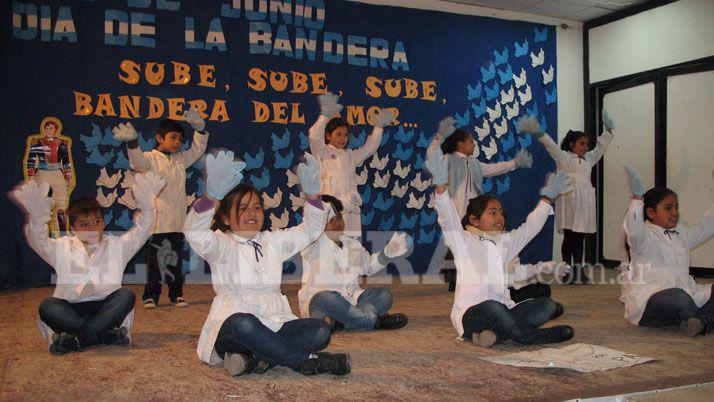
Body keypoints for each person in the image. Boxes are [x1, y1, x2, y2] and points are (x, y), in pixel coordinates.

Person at [184, 151, 350, 376]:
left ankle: (254, 359)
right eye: (242, 209)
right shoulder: (220, 244)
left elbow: (310, 230)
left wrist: (312, 196)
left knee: (320, 330)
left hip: (276, 322)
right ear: (225, 218)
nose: (251, 213)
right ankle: (308, 361)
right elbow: (194, 233)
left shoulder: (273, 241)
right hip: (234, 329)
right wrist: (210, 197)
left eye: (256, 207)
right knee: (245, 324)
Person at [426, 144, 575, 347]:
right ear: (474, 220)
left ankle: (496, 334)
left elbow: (531, 227)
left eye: (501, 213)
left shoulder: (505, 243)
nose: (500, 218)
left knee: (546, 305)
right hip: (472, 314)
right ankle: (533, 336)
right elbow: (447, 216)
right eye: (492, 213)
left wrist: (548, 197)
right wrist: (441, 187)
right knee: (491, 307)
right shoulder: (463, 241)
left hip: (505, 310)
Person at [11, 172, 165, 354]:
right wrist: (37, 220)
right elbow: (38, 241)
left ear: (104, 223)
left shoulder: (117, 245)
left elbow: (142, 231)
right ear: (73, 228)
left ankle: (78, 339)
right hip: (70, 307)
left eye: (97, 221)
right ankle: (101, 333)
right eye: (84, 224)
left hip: (105, 306)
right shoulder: (61, 247)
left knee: (125, 296)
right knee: (48, 306)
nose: (92, 228)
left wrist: (148, 208)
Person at [112, 108, 208, 308]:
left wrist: (200, 130)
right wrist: (132, 142)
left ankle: (176, 294)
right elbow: (137, 162)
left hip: (176, 220)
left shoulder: (180, 160)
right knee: (155, 262)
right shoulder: (150, 158)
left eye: (180, 139)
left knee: (175, 260)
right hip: (156, 221)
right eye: (173, 137)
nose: (177, 142)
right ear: (159, 138)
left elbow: (197, 150)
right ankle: (151, 296)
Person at [428, 117, 533, 291]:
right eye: (470, 142)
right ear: (460, 145)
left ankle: (462, 277)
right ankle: (454, 278)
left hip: (474, 209)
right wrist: (439, 136)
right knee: (457, 244)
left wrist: (515, 163)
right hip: (455, 208)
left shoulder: (475, 164)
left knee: (472, 243)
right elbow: (431, 155)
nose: (474, 145)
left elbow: (494, 168)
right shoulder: (447, 160)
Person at [519, 111, 615, 284]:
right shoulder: (564, 158)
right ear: (571, 144)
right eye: (581, 144)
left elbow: (600, 148)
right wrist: (538, 131)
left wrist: (608, 130)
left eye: (586, 144)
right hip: (570, 202)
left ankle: (579, 271)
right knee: (570, 237)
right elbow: (551, 146)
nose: (585, 147)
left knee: (580, 237)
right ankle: (567, 271)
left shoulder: (588, 160)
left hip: (584, 204)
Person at [622, 166, 714, 336]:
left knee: (687, 299)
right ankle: (703, 317)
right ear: (650, 212)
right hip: (654, 300)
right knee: (680, 300)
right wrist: (636, 199)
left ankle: (700, 322)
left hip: (687, 294)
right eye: (668, 208)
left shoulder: (682, 232)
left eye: (676, 207)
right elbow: (632, 228)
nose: (675, 213)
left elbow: (707, 225)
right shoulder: (643, 235)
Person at [299, 195, 411, 332]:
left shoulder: (352, 244)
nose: (337, 223)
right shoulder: (313, 243)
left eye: (339, 218)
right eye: (330, 220)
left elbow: (369, 266)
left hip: (351, 301)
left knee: (384, 295)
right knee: (329, 298)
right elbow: (312, 226)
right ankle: (375, 322)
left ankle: (341, 323)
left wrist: (387, 253)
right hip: (319, 304)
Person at [309, 92, 394, 237]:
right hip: (330, 210)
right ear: (328, 135)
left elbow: (370, 147)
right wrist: (325, 116)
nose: (342, 138)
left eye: (345, 135)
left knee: (350, 250)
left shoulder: (350, 155)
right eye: (338, 134)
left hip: (349, 211)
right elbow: (314, 136)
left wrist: (378, 127)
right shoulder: (321, 152)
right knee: (328, 248)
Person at [24, 117, 74, 233]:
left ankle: (63, 235)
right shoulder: (37, 142)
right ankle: (44, 234)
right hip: (42, 173)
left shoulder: (62, 144)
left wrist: (68, 176)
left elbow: (66, 161)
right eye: (46, 128)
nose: (48, 130)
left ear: (55, 129)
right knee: (42, 204)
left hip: (57, 173)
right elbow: (31, 160)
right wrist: (31, 175)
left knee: (61, 205)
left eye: (50, 128)